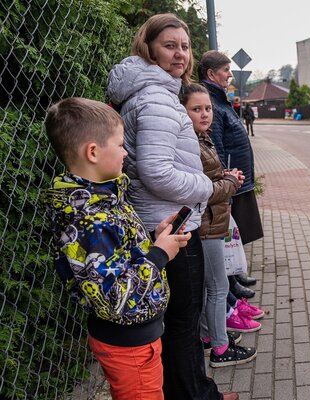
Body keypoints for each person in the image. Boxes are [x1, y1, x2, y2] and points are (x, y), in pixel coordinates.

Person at [106, 14, 237, 400]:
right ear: (148, 47)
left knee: (178, 318)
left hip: (161, 217)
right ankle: (197, 395)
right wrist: (206, 187)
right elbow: (156, 171)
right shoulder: (156, 97)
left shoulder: (152, 91)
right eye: (169, 45)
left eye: (184, 45)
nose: (180, 53)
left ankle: (191, 390)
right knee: (183, 319)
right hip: (170, 223)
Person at [43, 97, 190, 399]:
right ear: (93, 152)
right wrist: (159, 254)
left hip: (139, 338)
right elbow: (114, 299)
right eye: (121, 144)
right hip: (129, 344)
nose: (126, 152)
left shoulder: (103, 199)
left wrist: (154, 237)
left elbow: (120, 257)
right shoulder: (87, 220)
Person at [180, 83, 260, 368]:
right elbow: (201, 189)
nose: (205, 114)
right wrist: (230, 182)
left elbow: (208, 179)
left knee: (209, 287)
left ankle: (207, 336)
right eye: (196, 109)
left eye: (208, 108)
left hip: (210, 221)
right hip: (206, 224)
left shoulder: (202, 137)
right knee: (217, 287)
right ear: (182, 110)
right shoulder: (191, 142)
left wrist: (224, 175)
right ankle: (220, 347)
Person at [198, 51, 263, 297]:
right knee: (226, 229)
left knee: (235, 229)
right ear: (211, 73)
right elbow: (215, 144)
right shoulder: (211, 101)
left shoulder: (219, 98)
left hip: (236, 178)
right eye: (226, 70)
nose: (230, 74)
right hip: (229, 178)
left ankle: (235, 274)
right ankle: (231, 280)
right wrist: (225, 176)